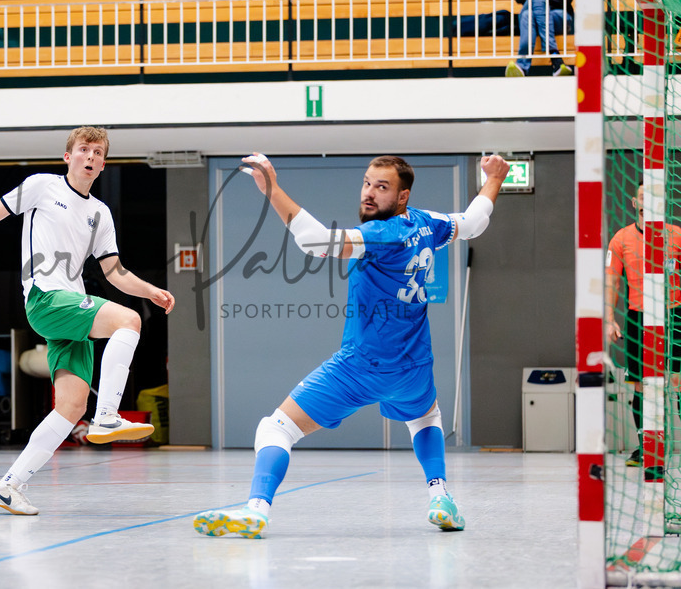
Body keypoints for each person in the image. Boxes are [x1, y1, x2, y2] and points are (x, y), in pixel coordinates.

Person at [193, 152, 510, 538]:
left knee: (275, 429)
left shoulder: (382, 235)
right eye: (366, 183)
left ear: (403, 195)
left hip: (361, 366)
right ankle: (440, 495)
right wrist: (494, 177)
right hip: (414, 368)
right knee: (426, 418)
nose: (369, 194)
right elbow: (474, 222)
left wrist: (272, 189)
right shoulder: (428, 224)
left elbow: (314, 242)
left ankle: (256, 509)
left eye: (382, 187)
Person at [0, 126, 175, 516]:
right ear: (68, 156)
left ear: (103, 164)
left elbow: (115, 272)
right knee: (127, 321)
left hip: (71, 304)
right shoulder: (42, 186)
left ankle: (10, 485)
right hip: (46, 299)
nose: (90, 156)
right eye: (83, 149)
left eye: (97, 152)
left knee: (71, 407)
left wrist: (151, 291)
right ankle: (107, 415)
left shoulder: (100, 214)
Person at [605, 185, 681, 471]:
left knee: (677, 383)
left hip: (675, 316)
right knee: (644, 388)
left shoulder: (676, 235)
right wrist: (609, 317)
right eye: (643, 194)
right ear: (634, 201)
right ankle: (649, 449)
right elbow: (611, 280)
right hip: (639, 320)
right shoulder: (621, 239)